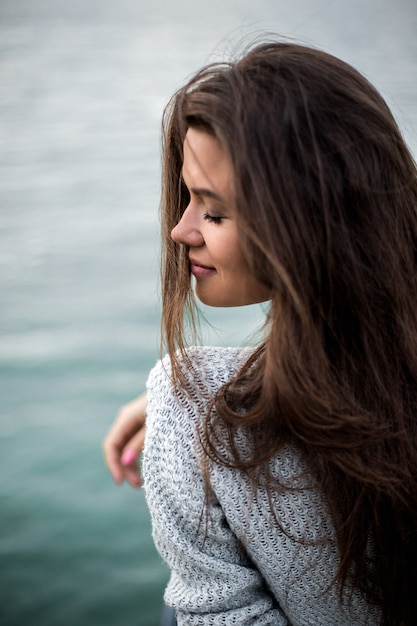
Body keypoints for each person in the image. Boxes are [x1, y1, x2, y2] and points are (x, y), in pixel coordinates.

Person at [103, 40, 417, 625]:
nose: (179, 230)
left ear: (310, 223)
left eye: (213, 211)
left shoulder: (191, 406)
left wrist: (184, 401)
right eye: (187, 199)